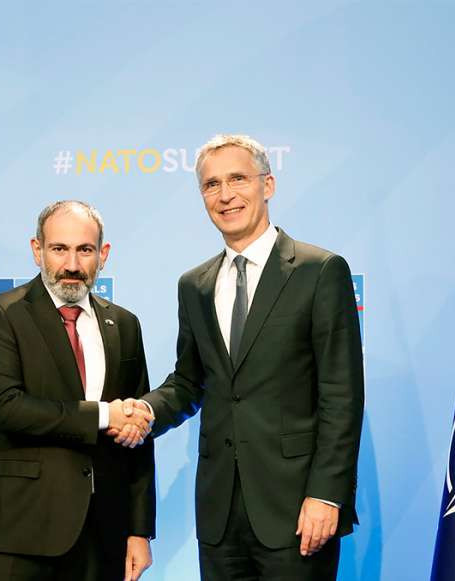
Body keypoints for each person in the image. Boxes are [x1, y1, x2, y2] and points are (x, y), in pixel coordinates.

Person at [115, 135, 364, 580]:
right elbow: (189, 382)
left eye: (237, 179)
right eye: (211, 184)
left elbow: (341, 395)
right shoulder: (194, 285)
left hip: (297, 510)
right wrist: (145, 412)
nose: (225, 195)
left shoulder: (320, 271)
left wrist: (327, 494)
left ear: (268, 184)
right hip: (219, 514)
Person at [0, 200, 156, 581]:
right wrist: (104, 415)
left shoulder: (124, 324)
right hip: (19, 532)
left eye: (84, 250)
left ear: (103, 254)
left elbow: (138, 437)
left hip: (104, 534)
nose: (72, 264)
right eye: (59, 249)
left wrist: (139, 530)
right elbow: (8, 408)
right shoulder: (1, 314)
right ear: (37, 250)